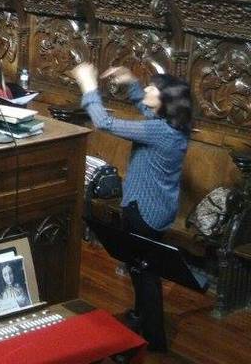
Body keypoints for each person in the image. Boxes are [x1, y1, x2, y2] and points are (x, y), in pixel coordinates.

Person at [70, 62, 192, 352]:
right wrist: (132, 83)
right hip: (158, 209)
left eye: (153, 88)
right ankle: (142, 319)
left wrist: (88, 85)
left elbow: (105, 123)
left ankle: (154, 339)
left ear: (166, 100)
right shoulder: (175, 125)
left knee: (145, 272)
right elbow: (147, 108)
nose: (148, 89)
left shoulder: (159, 132)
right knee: (140, 267)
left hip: (145, 210)